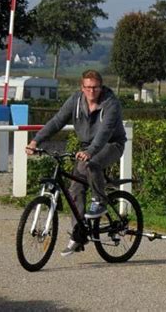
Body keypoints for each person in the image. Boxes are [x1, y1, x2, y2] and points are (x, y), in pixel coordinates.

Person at [26, 70, 127, 256]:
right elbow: (56, 122)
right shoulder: (76, 101)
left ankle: (100, 200)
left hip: (112, 144)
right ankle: (78, 235)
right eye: (88, 87)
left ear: (101, 87)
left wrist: (90, 152)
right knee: (75, 189)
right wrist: (35, 141)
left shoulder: (111, 103)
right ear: (82, 87)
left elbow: (104, 133)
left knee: (92, 164)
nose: (91, 91)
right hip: (86, 147)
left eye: (95, 87)